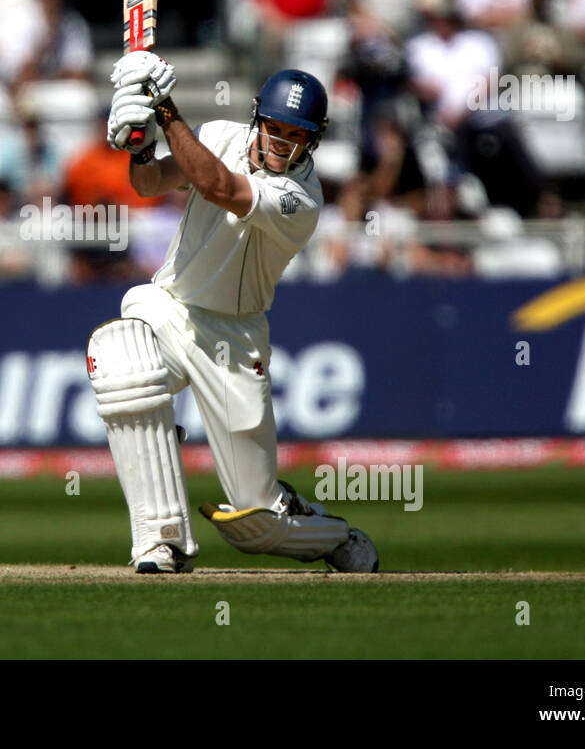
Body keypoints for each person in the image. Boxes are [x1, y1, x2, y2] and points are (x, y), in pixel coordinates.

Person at [88, 55, 378, 574]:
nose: (282, 143)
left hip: (233, 342)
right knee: (119, 360)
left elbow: (220, 187)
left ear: (313, 140)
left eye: (297, 134)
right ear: (256, 119)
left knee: (256, 524)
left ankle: (331, 533)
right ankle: (161, 541)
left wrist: (165, 110)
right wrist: (138, 143)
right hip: (170, 306)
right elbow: (151, 184)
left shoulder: (301, 199)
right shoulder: (219, 134)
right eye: (275, 128)